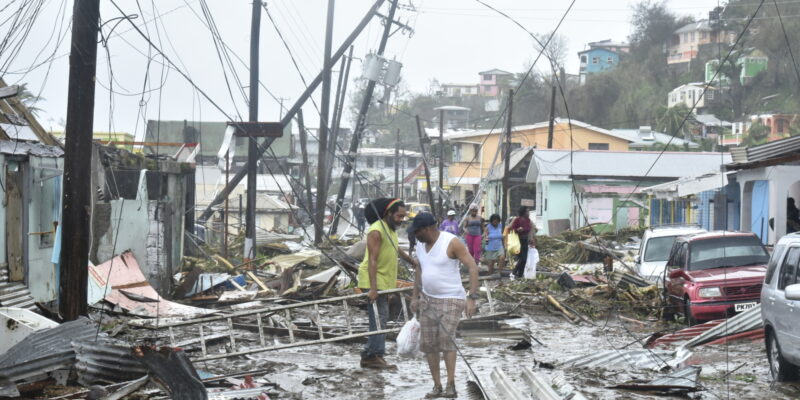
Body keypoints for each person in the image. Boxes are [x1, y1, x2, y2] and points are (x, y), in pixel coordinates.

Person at [408, 213, 479, 399]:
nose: (415, 235)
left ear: (427, 229)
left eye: (417, 232)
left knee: (446, 340)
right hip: (428, 299)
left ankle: (450, 384)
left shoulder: (451, 242)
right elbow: (419, 269)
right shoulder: (420, 245)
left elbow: (472, 266)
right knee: (429, 343)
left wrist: (472, 297)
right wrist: (415, 296)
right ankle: (437, 386)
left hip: (452, 298)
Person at [358, 198, 419, 369]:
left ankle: (373, 353)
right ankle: (372, 355)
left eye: (403, 217)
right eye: (399, 216)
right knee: (378, 318)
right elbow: (372, 260)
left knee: (381, 318)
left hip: (385, 280)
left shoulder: (390, 229)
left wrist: (412, 261)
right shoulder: (376, 231)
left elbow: (396, 249)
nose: (401, 220)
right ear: (389, 214)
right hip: (374, 279)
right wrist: (373, 288)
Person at [509, 206, 533, 279]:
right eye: (527, 211)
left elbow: (529, 229)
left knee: (524, 259)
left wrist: (530, 238)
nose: (528, 213)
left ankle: (520, 274)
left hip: (525, 240)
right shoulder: (517, 219)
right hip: (518, 240)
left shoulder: (528, 220)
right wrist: (518, 230)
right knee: (521, 258)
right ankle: (513, 272)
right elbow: (512, 228)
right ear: (523, 212)